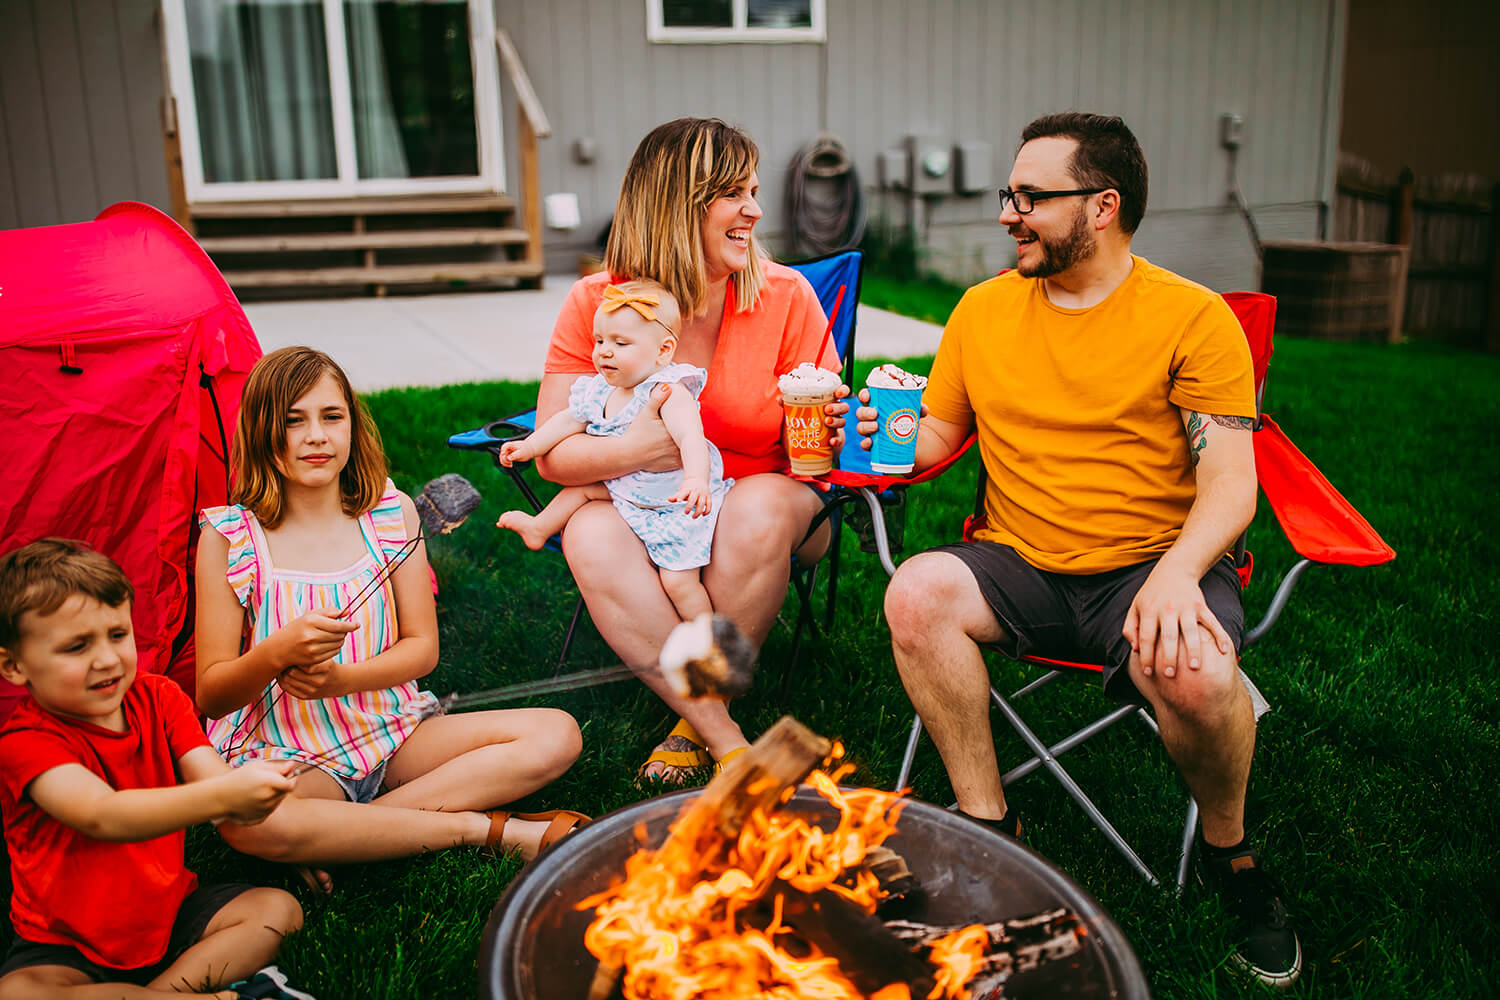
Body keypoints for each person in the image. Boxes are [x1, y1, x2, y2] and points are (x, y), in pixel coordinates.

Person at [860, 113, 1301, 988]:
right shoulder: (984, 309)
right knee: (914, 595)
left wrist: (1178, 575)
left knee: (1201, 677)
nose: (1008, 214)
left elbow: (1230, 485)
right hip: (1018, 562)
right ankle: (989, 829)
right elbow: (940, 430)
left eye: (1031, 198)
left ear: (1102, 206)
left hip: (1148, 564)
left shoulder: (1191, 317)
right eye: (1008, 195)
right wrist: (876, 432)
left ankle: (1230, 852)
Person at [195, 346, 586, 890]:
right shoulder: (230, 537)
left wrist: (339, 680)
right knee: (247, 818)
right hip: (292, 750)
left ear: (353, 425)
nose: (316, 435)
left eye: (332, 417)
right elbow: (211, 695)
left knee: (557, 734)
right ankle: (480, 830)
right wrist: (273, 654)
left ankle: (351, 837)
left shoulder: (388, 513)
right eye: (293, 421)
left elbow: (422, 648)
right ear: (262, 432)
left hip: (393, 731)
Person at [535, 118, 848, 783]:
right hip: (641, 506)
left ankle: (687, 723)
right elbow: (554, 456)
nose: (754, 211)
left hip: (768, 507)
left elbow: (818, 446)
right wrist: (643, 448)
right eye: (732, 194)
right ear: (677, 203)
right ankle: (720, 730)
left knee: (755, 508)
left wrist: (839, 432)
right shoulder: (598, 303)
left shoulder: (788, 297)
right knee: (588, 533)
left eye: (755, 191)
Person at [0, 538, 313, 1000]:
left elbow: (213, 779)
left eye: (117, 634)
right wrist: (226, 798)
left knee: (276, 909)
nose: (106, 659)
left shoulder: (159, 697)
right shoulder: (25, 742)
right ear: (14, 666)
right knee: (21, 993)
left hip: (168, 913)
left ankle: (168, 995)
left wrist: (256, 796)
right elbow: (101, 814)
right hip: (66, 941)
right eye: (76, 646)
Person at [497, 280, 729, 623]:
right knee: (580, 490)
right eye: (600, 341)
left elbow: (691, 437)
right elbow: (568, 420)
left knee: (678, 582)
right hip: (629, 489)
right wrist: (530, 446)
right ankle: (539, 526)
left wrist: (696, 479)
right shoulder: (600, 389)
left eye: (621, 343)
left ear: (663, 351)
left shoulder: (667, 391)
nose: (605, 351)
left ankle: (709, 641)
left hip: (674, 502)